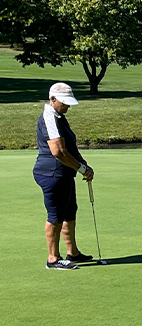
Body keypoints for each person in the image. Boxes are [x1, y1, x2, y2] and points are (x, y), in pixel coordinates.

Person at [33, 82, 95, 270]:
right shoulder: (49, 116)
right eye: (64, 102)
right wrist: (81, 169)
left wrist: (83, 165)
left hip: (64, 173)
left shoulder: (59, 116)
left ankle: (73, 253)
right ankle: (53, 259)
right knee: (56, 215)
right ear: (52, 99)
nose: (67, 106)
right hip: (52, 173)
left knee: (69, 211)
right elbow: (58, 151)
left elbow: (70, 147)